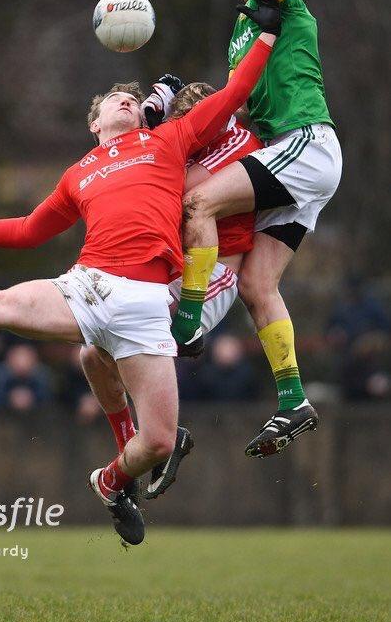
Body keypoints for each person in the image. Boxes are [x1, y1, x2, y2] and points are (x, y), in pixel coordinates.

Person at [0, 0, 279, 546]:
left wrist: (266, 38)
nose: (127, 98)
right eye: (114, 99)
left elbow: (233, 95)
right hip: (89, 285)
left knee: (160, 441)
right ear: (95, 124)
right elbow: (28, 230)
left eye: (133, 97)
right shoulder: (79, 172)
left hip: (148, 301)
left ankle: (111, 480)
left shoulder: (167, 140)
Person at [169, 0, 342, 458]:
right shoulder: (244, 32)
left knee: (199, 204)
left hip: (305, 145)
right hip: (293, 163)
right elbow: (237, 106)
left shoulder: (290, 7)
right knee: (256, 286)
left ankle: (187, 323)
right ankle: (294, 401)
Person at [79, 80, 263, 499]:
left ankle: (158, 438)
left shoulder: (236, 143)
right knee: (91, 352)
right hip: (170, 273)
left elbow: (167, 187)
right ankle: (131, 444)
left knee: (117, 341)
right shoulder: (171, 145)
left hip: (211, 274)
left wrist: (144, 130)